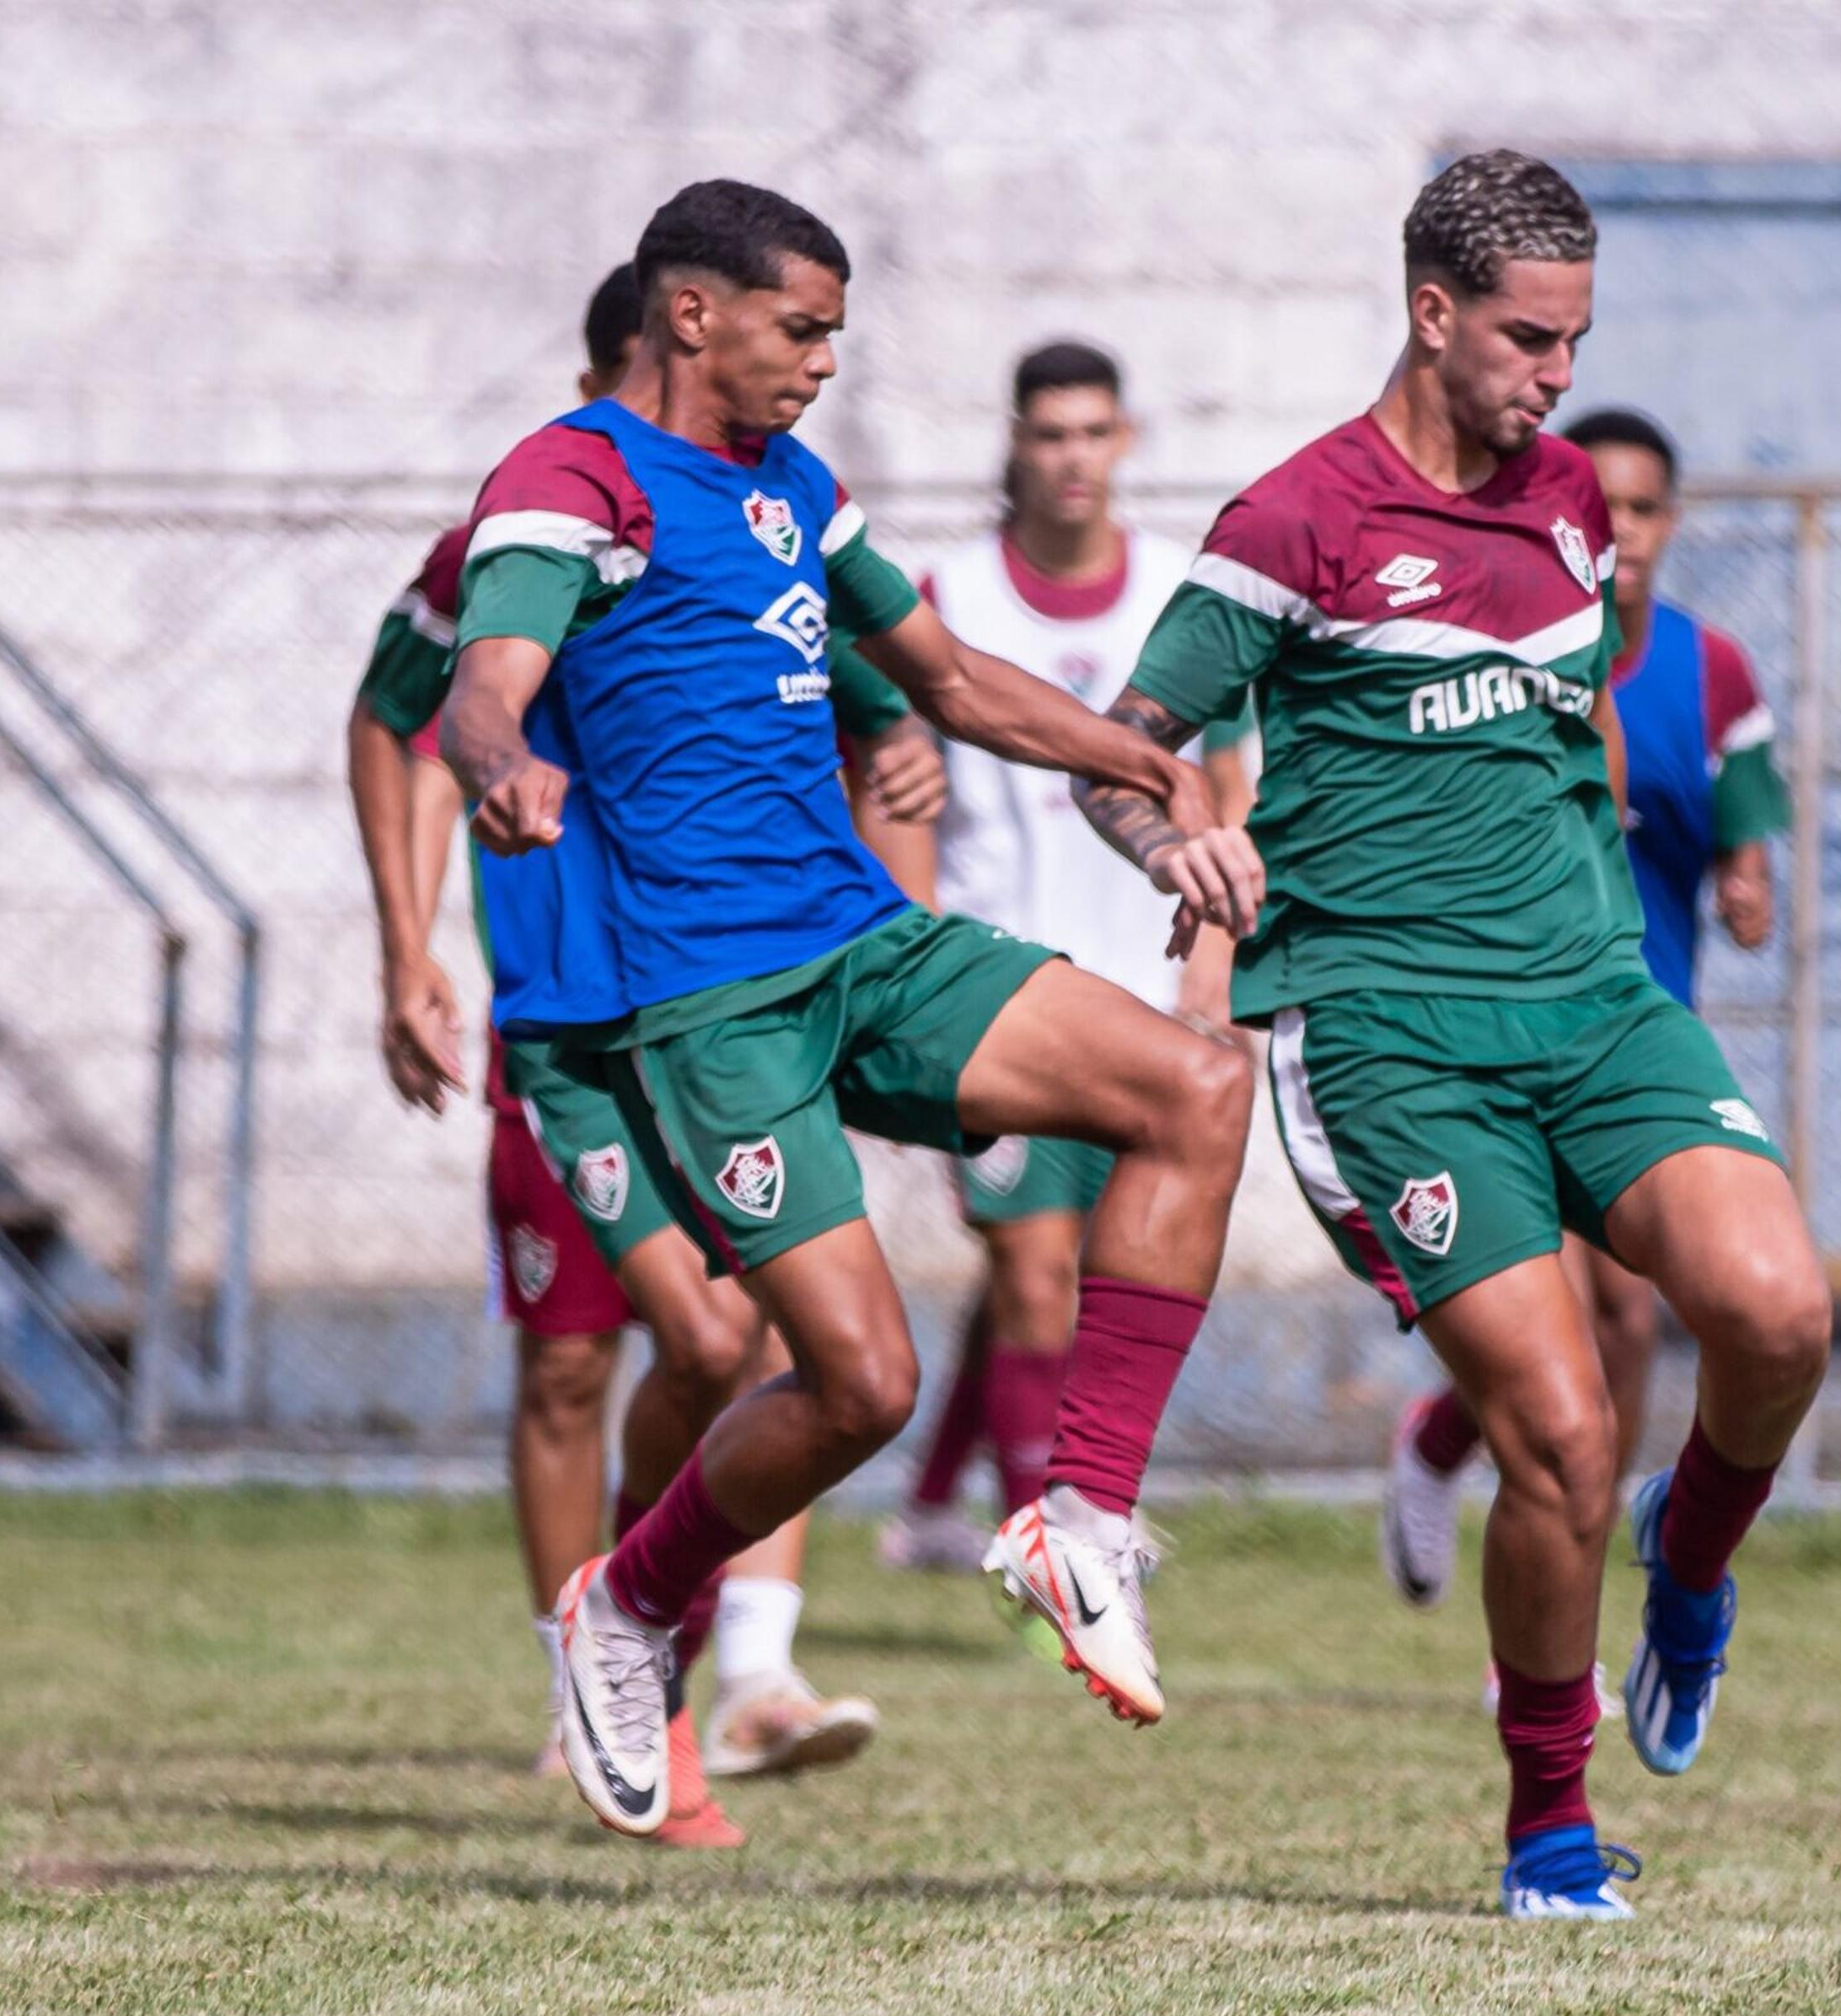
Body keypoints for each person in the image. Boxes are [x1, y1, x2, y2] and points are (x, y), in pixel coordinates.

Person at [435, 181, 1259, 1841]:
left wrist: (1150, 764)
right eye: (800, 327)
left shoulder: (798, 487)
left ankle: (1077, 1512)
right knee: (859, 1385)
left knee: (1196, 1086)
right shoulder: (573, 477)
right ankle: (629, 1606)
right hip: (708, 1006)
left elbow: (947, 681)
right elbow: (481, 685)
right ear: (690, 315)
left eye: (834, 332)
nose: (823, 361)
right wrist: (501, 760)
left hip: (869, 943)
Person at [1084, 153, 1832, 1919]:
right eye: (1527, 339)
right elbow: (1128, 742)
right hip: (1391, 1040)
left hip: (1594, 1005)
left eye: (1576, 341)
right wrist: (1175, 833)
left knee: (1779, 1314)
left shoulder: (1572, 500)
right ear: (1433, 313)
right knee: (1559, 1435)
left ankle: (1696, 1554)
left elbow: (1576, 719)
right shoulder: (1296, 524)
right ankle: (1549, 1834)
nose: (1555, 378)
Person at [342, 263, 931, 1848]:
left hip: (725, 1010)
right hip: (565, 1029)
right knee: (576, 1361)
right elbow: (397, 715)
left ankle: (690, 1665)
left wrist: (887, 931)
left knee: (735, 1338)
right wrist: (409, 948)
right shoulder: (522, 533)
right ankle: (604, 1671)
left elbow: (892, 713)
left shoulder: (752, 532)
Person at [1380, 405, 1791, 1695]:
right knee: (1552, 1327)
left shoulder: (1709, 672)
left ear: (1672, 524)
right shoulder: (1491, 652)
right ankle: (1536, 1617)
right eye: (1600, 504)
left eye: (1647, 507)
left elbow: (1748, 849)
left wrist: (1746, 889)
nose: (1623, 531)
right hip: (1493, 1046)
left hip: (1631, 1042)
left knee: (1627, 1321)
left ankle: (1470, 1465)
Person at [878, 338, 1253, 1574]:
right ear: (1016, 444)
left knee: (1082, 1273)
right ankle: (1054, 1550)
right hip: (1002, 993)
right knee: (1038, 1275)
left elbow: (1229, 777)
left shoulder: (1173, 595)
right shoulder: (953, 597)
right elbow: (901, 785)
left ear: (1125, 442)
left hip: (1146, 991)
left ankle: (940, 1506)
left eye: (1094, 432)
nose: (1072, 457)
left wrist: (1215, 972)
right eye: (1050, 434)